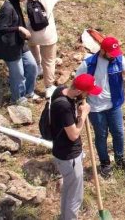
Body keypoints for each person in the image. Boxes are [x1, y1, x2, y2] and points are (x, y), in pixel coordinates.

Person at [76, 35, 125, 177]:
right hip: (95, 108)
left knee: (118, 133)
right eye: (111, 53)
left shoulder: (119, 60)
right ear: (103, 51)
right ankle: (105, 164)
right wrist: (78, 103)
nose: (114, 56)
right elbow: (77, 84)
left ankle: (119, 159)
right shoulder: (88, 64)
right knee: (101, 136)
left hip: (114, 105)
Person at [48, 73, 101, 220]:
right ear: (78, 91)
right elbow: (73, 135)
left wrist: (78, 109)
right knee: (75, 196)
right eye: (87, 92)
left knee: (68, 189)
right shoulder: (63, 106)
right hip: (69, 156)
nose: (88, 95)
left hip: (62, 152)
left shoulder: (61, 91)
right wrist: (83, 116)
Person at [0, 0, 38, 104]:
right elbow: (1, 28)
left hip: (19, 43)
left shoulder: (15, 4)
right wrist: (19, 28)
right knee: (18, 74)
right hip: (9, 46)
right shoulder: (7, 8)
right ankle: (17, 99)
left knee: (32, 66)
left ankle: (29, 92)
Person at [27, 0, 61, 91]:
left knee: (33, 47)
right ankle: (49, 87)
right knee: (49, 61)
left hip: (31, 32)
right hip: (47, 33)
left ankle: (37, 66)